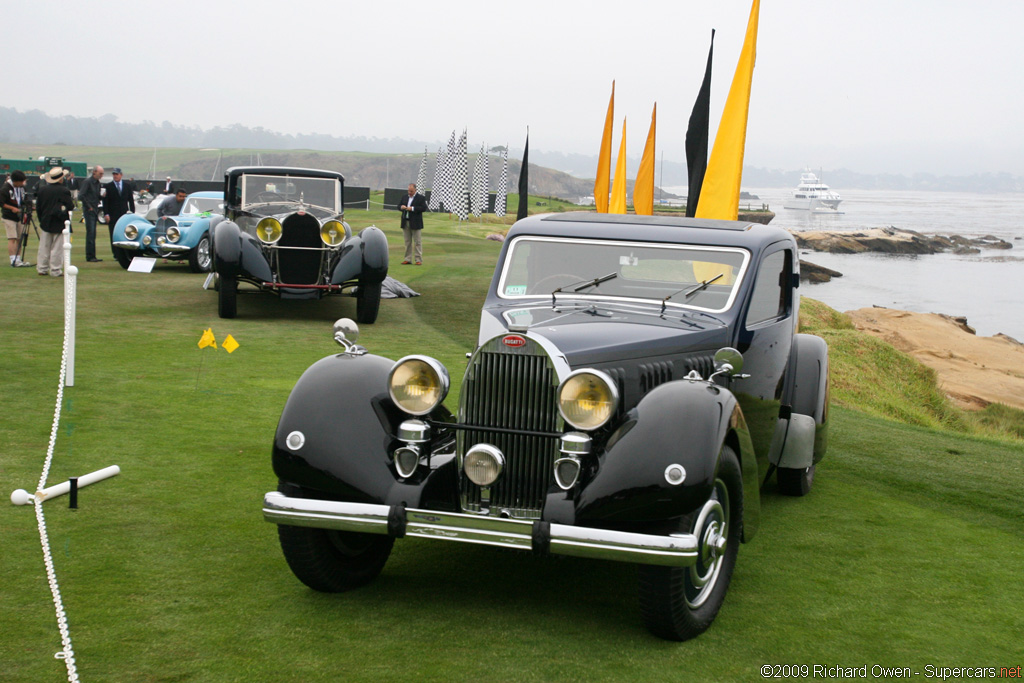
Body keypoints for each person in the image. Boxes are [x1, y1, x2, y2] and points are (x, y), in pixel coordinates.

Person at [35, 167, 76, 277]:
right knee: (57, 248)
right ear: (61, 179)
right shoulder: (63, 190)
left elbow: (38, 207)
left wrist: (41, 219)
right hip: (59, 221)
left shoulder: (42, 190)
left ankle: (42, 268)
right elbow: (70, 206)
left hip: (45, 221)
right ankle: (55, 269)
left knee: (44, 246)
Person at [2, 170, 32, 267]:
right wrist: (12, 208)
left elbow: (25, 199)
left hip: (20, 216)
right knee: (12, 238)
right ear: (16, 181)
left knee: (20, 238)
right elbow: (1, 203)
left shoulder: (22, 188)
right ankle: (12, 260)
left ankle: (18, 259)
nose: (23, 183)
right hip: (8, 216)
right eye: (21, 181)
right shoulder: (5, 188)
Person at [103, 168, 135, 254]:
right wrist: (106, 214)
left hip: (124, 215)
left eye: (117, 174)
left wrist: (132, 214)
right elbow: (105, 202)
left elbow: (131, 201)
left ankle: (125, 252)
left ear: (121, 175)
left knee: (125, 233)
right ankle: (116, 254)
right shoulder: (108, 186)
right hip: (112, 214)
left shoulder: (127, 186)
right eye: (114, 174)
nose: (115, 176)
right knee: (113, 234)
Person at [78, 166, 105, 262]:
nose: (102, 175)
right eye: (100, 173)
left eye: (102, 173)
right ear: (94, 172)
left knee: (93, 233)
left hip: (95, 209)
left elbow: (96, 196)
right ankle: (90, 256)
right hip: (89, 210)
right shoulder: (87, 182)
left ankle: (92, 255)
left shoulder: (98, 183)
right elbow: (81, 195)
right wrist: (88, 206)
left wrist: (102, 197)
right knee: (90, 232)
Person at [399, 183, 427, 265]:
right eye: (409, 191)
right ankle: (407, 259)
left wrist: (412, 208)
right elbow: (399, 205)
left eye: (411, 191)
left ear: (415, 190)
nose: (409, 192)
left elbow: (423, 208)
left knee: (417, 242)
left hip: (415, 222)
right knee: (407, 242)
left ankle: (418, 260)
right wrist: (402, 207)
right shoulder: (404, 197)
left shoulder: (420, 198)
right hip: (405, 221)